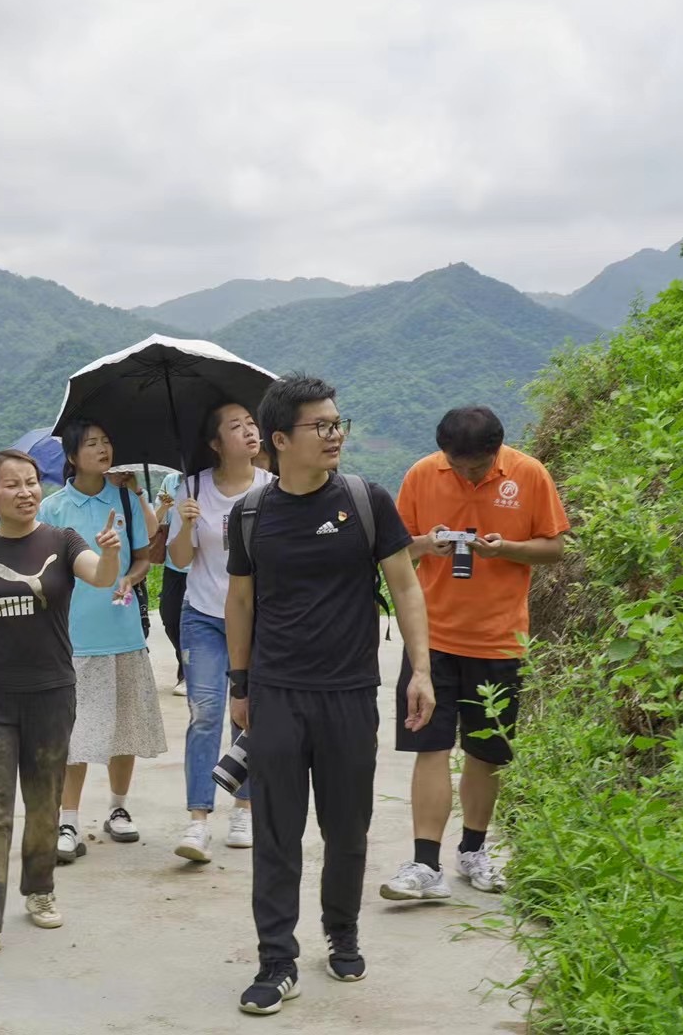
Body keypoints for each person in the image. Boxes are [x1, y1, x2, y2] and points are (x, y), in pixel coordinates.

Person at [224, 374, 435, 1016]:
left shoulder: (366, 501)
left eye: (338, 422)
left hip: (349, 691)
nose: (334, 434)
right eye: (320, 426)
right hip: (277, 693)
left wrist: (420, 670)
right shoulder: (251, 515)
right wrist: (240, 684)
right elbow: (241, 601)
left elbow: (405, 586)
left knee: (347, 828)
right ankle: (276, 959)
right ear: (281, 440)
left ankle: (342, 931)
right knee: (277, 832)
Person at [380, 406, 569, 901]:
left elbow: (554, 548)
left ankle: (473, 850)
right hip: (430, 640)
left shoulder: (528, 474)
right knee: (430, 746)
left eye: (476, 467)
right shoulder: (422, 474)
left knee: (486, 752)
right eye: (456, 465)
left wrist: (504, 548)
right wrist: (429, 543)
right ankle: (425, 864)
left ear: (496, 450)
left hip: (499, 640)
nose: (466, 474)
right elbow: (396, 550)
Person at [0, 449, 123, 963]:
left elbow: (99, 576)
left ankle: (40, 888)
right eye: (12, 484)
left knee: (44, 802)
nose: (25, 492)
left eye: (31, 481)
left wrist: (110, 553)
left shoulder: (62, 541)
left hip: (51, 692)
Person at [39, 420, 167, 859]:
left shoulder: (125, 499)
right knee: (73, 734)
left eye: (107, 441)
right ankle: (68, 820)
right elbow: (42, 570)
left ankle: (118, 808)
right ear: (72, 456)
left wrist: (130, 578)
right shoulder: (53, 508)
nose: (103, 449)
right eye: (91, 443)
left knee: (123, 726)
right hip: (73, 637)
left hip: (122, 631)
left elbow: (143, 557)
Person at [167, 402, 273, 862]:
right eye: (235, 426)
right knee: (206, 712)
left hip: (257, 618)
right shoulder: (192, 488)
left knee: (247, 715)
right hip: (204, 616)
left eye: (251, 423)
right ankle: (198, 820)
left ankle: (244, 808)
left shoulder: (273, 488)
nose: (249, 432)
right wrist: (185, 524)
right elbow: (179, 560)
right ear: (215, 443)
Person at [155, 471, 190, 698]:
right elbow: (156, 521)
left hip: (202, 566)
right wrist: (164, 506)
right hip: (174, 565)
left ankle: (187, 673)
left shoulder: (211, 480)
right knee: (170, 617)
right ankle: (187, 665)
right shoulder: (171, 481)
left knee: (197, 621)